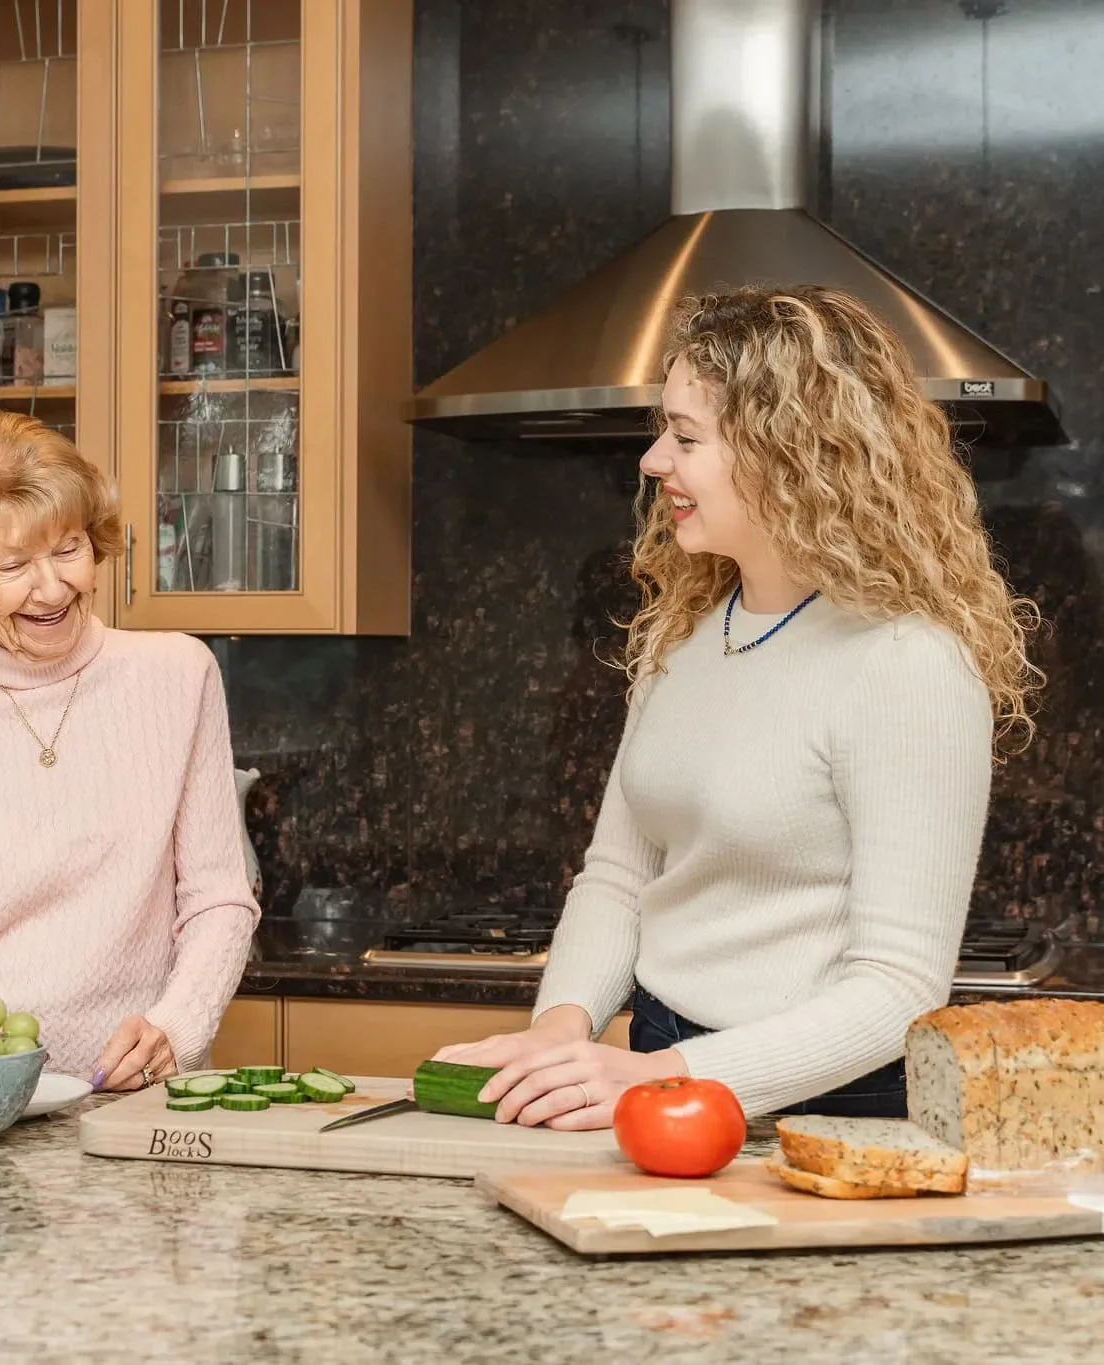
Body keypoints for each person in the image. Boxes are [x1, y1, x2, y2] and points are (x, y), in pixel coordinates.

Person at [435, 285, 1041, 1126]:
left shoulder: (906, 663)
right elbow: (619, 874)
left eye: (685, 437)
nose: (652, 460)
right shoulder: (685, 628)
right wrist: (561, 1026)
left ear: (789, 454)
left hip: (822, 1098)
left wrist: (672, 1075)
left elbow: (896, 989)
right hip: (657, 1060)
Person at [0, 409, 259, 1090]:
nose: (54, 586)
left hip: (139, 1102)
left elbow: (218, 898)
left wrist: (176, 1026)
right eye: (11, 565)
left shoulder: (179, 676)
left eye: (68, 548)